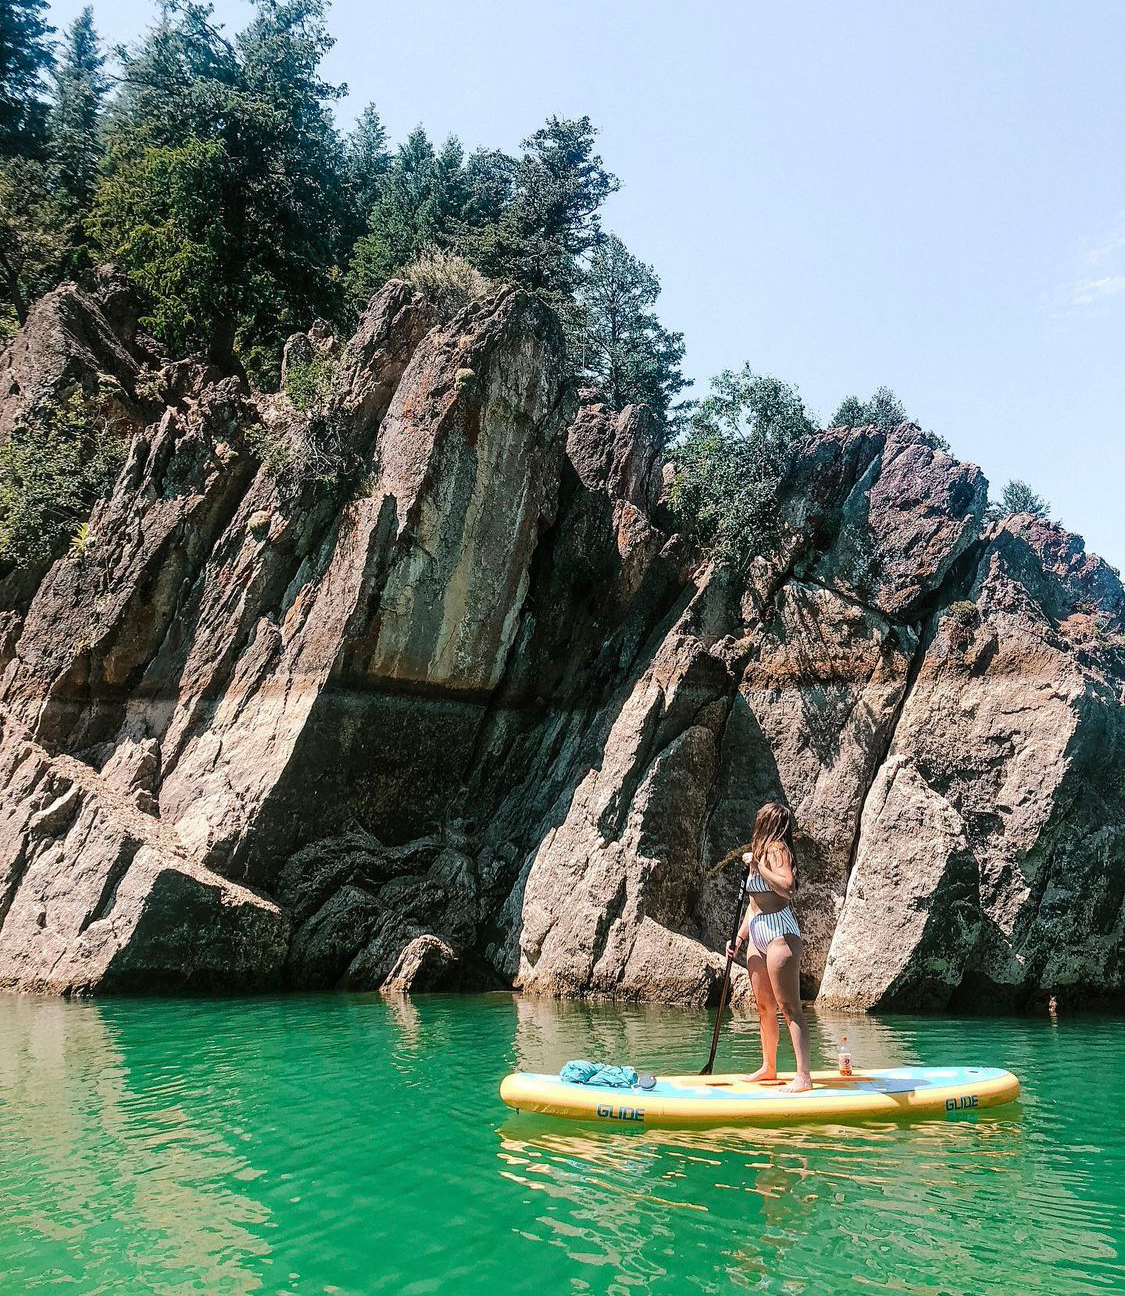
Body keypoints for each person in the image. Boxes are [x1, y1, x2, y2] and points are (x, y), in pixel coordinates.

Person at [722, 802, 813, 1093]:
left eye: (759, 817)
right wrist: (738, 938)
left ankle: (804, 1076)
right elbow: (753, 904)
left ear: (768, 822)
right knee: (764, 1006)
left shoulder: (777, 850)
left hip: (780, 934)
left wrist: (760, 866)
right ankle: (769, 1067)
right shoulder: (760, 852)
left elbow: (788, 887)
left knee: (789, 1008)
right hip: (757, 933)